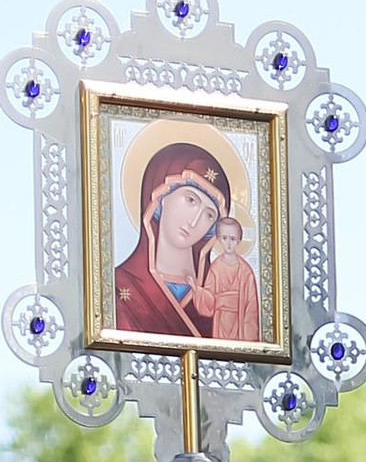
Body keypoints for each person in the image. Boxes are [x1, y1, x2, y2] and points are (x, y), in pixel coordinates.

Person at [110, 140, 261, 344]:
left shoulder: (220, 287)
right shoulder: (119, 287)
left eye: (209, 215)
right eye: (191, 200)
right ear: (161, 197)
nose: (195, 221)